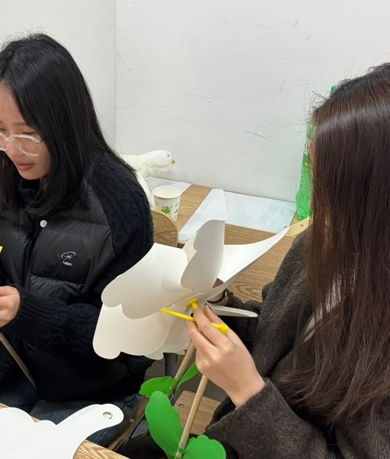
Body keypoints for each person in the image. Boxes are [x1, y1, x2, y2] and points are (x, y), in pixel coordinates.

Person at [119, 64, 390, 458]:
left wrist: (246, 390)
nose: (316, 204)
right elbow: (273, 336)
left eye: (335, 190)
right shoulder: (322, 244)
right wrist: (220, 305)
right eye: (316, 178)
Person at [0, 33, 154, 446]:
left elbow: (132, 338)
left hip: (94, 391)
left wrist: (28, 313)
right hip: (14, 368)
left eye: (26, 134)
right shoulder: (2, 191)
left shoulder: (118, 204)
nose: (11, 149)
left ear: (65, 124)